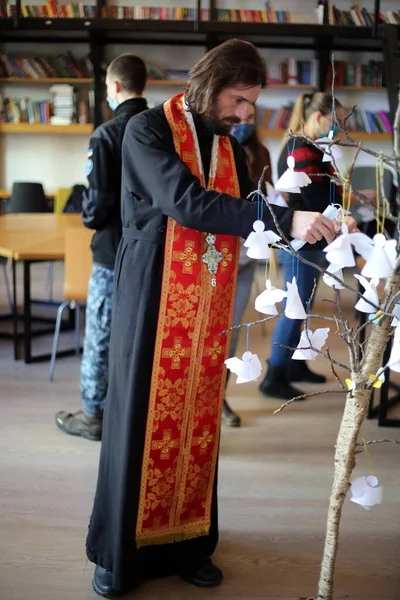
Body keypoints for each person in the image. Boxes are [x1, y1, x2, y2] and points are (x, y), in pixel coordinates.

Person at [86, 40, 340, 599]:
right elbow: (186, 203)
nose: (245, 113)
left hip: (205, 299)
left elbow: (243, 205)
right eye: (239, 99)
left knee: (198, 417)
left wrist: (305, 214)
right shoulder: (147, 130)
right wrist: (285, 219)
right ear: (210, 85)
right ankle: (117, 554)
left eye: (250, 103)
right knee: (138, 419)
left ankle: (189, 544)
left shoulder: (226, 142)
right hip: (152, 291)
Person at [55, 54, 148, 441]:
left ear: (113, 87)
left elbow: (96, 208)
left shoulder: (107, 135)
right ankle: (134, 413)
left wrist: (87, 213)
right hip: (151, 252)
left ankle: (94, 414)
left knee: (101, 331)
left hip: (112, 253)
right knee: (140, 334)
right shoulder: (161, 130)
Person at [259, 92, 372, 401]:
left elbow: (324, 191)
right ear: (319, 117)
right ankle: (274, 374)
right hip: (301, 240)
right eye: (335, 122)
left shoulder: (307, 147)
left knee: (303, 304)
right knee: (294, 308)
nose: (336, 129)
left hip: (309, 238)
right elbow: (315, 200)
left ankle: (294, 366)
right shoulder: (302, 149)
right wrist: (345, 211)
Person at [222, 103, 273, 427]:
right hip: (215, 257)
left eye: (251, 118)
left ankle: (219, 398)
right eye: (238, 116)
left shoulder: (261, 153)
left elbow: (265, 199)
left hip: (246, 256)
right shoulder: (216, 151)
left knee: (230, 334)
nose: (243, 123)